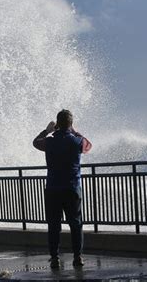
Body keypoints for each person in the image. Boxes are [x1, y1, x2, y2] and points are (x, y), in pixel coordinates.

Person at [33, 109, 92, 269]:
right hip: (72, 188)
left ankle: (54, 258)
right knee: (76, 223)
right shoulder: (76, 141)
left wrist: (47, 130)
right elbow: (88, 146)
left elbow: (36, 142)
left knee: (54, 225)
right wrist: (75, 131)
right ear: (70, 124)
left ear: (57, 124)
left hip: (53, 188)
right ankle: (78, 257)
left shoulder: (50, 141)